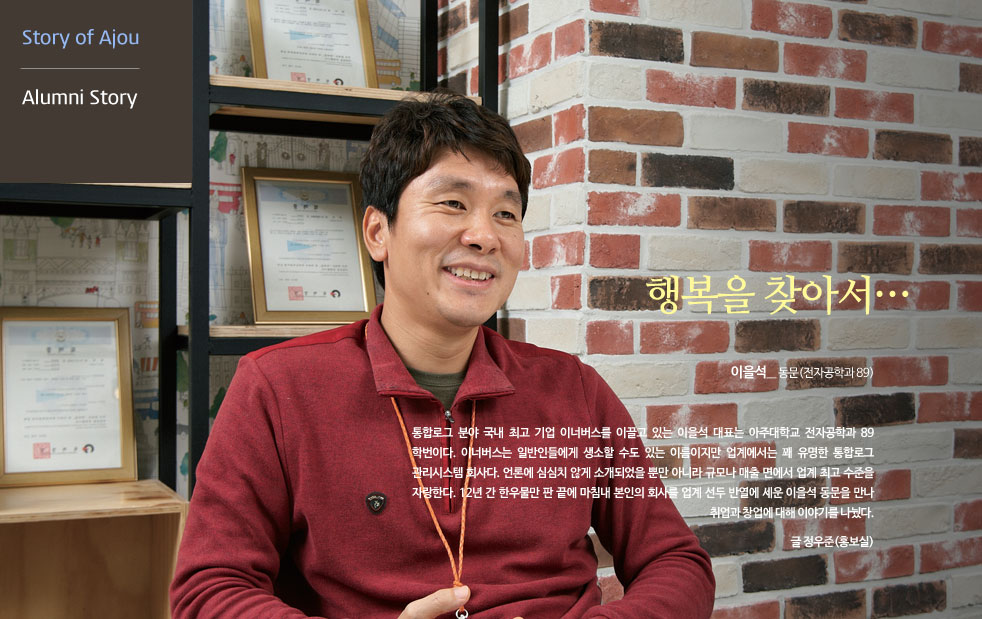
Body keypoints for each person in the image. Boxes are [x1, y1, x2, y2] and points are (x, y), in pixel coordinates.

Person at [170, 91, 715, 618]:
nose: (484, 236)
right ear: (378, 232)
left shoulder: (574, 389)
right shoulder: (277, 388)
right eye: (454, 203)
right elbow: (208, 589)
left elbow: (676, 561)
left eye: (506, 213)